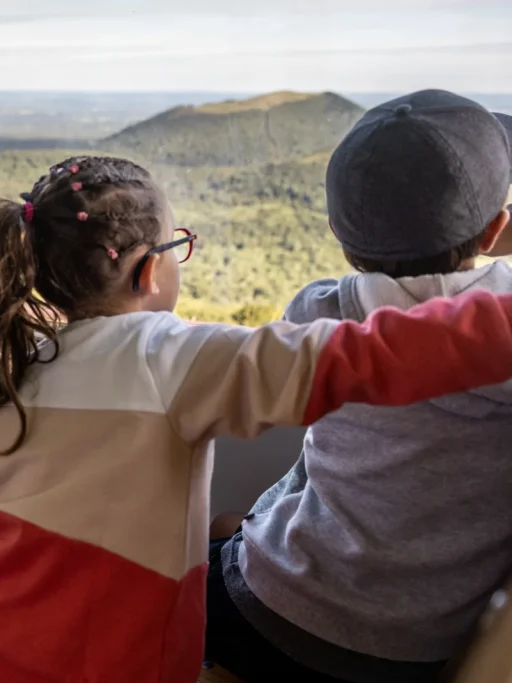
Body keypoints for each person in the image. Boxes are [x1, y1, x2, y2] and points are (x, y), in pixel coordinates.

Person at [0, 154, 512, 683]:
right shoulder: (173, 358)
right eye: (177, 246)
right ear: (148, 272)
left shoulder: (4, 375)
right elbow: (363, 356)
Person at [205, 90, 512, 683]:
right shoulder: (497, 332)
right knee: (232, 531)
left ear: (338, 237)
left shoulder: (319, 309)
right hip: (411, 652)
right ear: (497, 229)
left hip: (262, 617)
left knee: (216, 544)